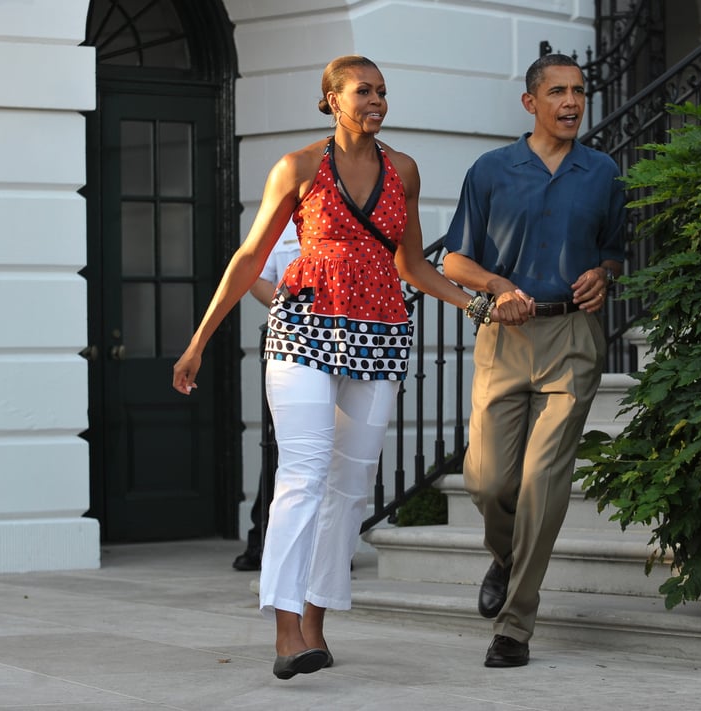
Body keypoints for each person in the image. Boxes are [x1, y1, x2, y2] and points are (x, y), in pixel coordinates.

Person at [172, 55, 496, 681]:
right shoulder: (296, 168)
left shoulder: (403, 170)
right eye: (362, 91)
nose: (376, 100)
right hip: (303, 331)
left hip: (378, 335)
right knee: (303, 473)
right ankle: (286, 630)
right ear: (331, 99)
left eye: (382, 91)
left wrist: (475, 303)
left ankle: (316, 622)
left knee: (349, 489)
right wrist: (199, 341)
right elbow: (249, 258)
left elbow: (413, 266)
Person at [442, 53, 626, 668]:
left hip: (572, 338)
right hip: (504, 338)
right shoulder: (491, 170)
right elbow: (453, 263)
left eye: (579, 91)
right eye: (558, 92)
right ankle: (504, 555)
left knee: (544, 484)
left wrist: (604, 274)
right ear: (531, 102)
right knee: (488, 481)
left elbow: (612, 253)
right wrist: (497, 287)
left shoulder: (603, 173)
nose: (572, 102)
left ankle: (515, 627)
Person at [231, 223, 301, 572]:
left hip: (343, 345)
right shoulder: (283, 220)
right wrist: (288, 305)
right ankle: (261, 538)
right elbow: (255, 277)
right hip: (291, 345)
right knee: (280, 447)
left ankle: (327, 550)